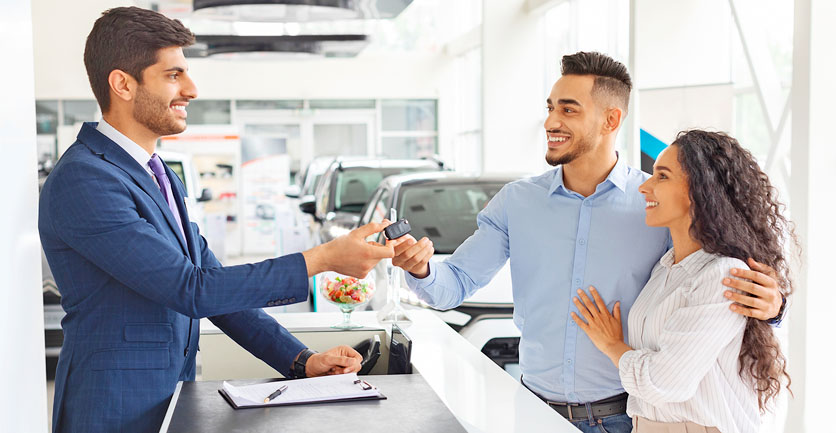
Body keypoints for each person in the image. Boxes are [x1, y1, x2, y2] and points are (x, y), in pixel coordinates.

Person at [38, 7, 394, 433]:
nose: (191, 89)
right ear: (122, 84)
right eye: (173, 75)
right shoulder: (85, 179)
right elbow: (191, 290)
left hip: (170, 399)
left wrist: (301, 361)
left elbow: (213, 281)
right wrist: (322, 259)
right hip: (112, 409)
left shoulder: (159, 174)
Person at [389, 52, 785, 433]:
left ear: (611, 118)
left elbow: (709, 279)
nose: (551, 121)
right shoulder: (518, 202)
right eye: (550, 108)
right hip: (533, 409)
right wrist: (421, 269)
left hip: (628, 417)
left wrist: (772, 307)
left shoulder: (653, 204)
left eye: (568, 109)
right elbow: (453, 284)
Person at [571, 130, 793, 433]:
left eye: (662, 177)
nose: (645, 186)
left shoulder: (723, 275)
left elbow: (663, 384)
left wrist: (612, 345)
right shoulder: (664, 269)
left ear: (701, 191)